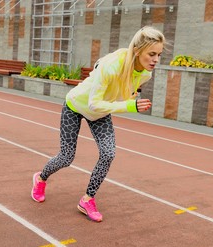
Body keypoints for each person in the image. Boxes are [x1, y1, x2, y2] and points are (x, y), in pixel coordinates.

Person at [31, 26, 165, 222]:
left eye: (159, 55)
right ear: (137, 51)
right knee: (66, 157)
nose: (156, 60)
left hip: (101, 112)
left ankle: (87, 199)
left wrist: (131, 97)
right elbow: (93, 103)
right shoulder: (112, 66)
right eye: (152, 54)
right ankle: (41, 178)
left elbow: (119, 94)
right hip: (76, 105)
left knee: (108, 153)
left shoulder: (146, 73)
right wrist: (129, 105)